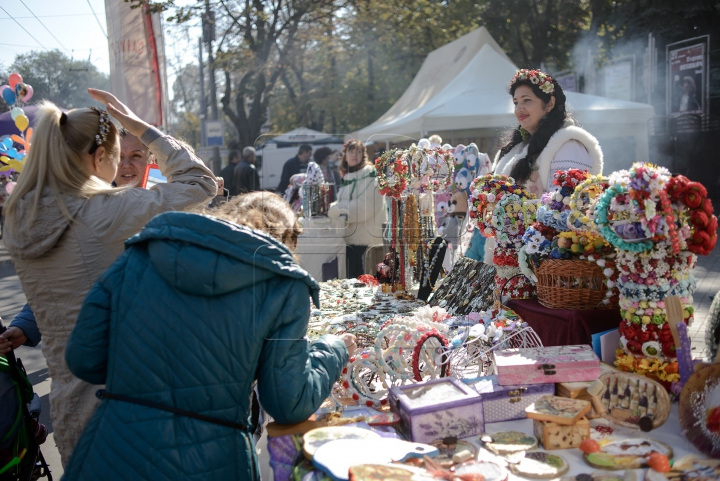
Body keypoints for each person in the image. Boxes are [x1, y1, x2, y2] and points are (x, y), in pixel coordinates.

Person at [61, 192, 355, 480]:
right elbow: (287, 403)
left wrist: (141, 377)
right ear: (287, 239)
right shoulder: (283, 284)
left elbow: (84, 358)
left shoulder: (140, 255)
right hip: (213, 457)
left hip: (115, 448)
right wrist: (333, 348)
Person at [1, 89, 216, 466]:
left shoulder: (21, 215)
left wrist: (25, 323)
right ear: (99, 157)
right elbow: (201, 183)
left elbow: (66, 285)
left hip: (71, 403)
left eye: (137, 156)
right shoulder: (106, 211)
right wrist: (145, 129)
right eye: (118, 156)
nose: (122, 167)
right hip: (130, 396)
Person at [493, 68, 603, 198]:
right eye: (516, 103)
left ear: (550, 103)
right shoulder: (517, 147)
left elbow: (563, 206)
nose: (519, 109)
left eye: (526, 100)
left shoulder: (568, 145)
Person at [328, 140, 387, 278]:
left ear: (363, 154)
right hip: (351, 238)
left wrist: (340, 210)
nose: (355, 155)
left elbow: (366, 207)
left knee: (362, 280)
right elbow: (343, 202)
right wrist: (332, 207)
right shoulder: (348, 176)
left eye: (358, 151)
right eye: (351, 151)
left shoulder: (370, 175)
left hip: (366, 239)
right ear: (345, 154)